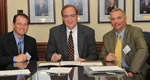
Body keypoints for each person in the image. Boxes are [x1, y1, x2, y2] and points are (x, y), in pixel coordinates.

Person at [100, 8, 149, 80]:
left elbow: (143, 50)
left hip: (133, 72)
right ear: (110, 21)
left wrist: (132, 71)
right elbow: (102, 55)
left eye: (119, 18)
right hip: (113, 74)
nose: (116, 21)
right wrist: (105, 57)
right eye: (113, 19)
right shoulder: (107, 37)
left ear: (125, 19)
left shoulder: (135, 31)